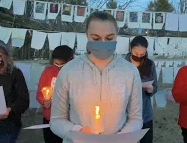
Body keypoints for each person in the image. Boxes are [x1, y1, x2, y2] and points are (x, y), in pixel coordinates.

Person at [50, 11, 143, 143]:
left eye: (109, 38)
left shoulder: (130, 71)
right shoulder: (68, 71)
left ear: (117, 35)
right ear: (87, 36)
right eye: (96, 38)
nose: (103, 43)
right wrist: (79, 133)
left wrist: (121, 138)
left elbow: (136, 118)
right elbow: (57, 120)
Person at [36, 45, 74, 143]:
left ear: (70, 61)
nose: (58, 67)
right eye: (56, 64)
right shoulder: (48, 72)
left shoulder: (76, 74)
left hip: (69, 120)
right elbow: (40, 92)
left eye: (62, 64)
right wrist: (44, 101)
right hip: (50, 117)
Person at [124, 36, 158, 143]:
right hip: (125, 114)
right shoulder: (121, 64)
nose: (139, 56)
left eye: (142, 54)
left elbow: (155, 86)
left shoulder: (150, 64)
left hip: (145, 113)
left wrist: (151, 89)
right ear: (130, 48)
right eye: (136, 53)